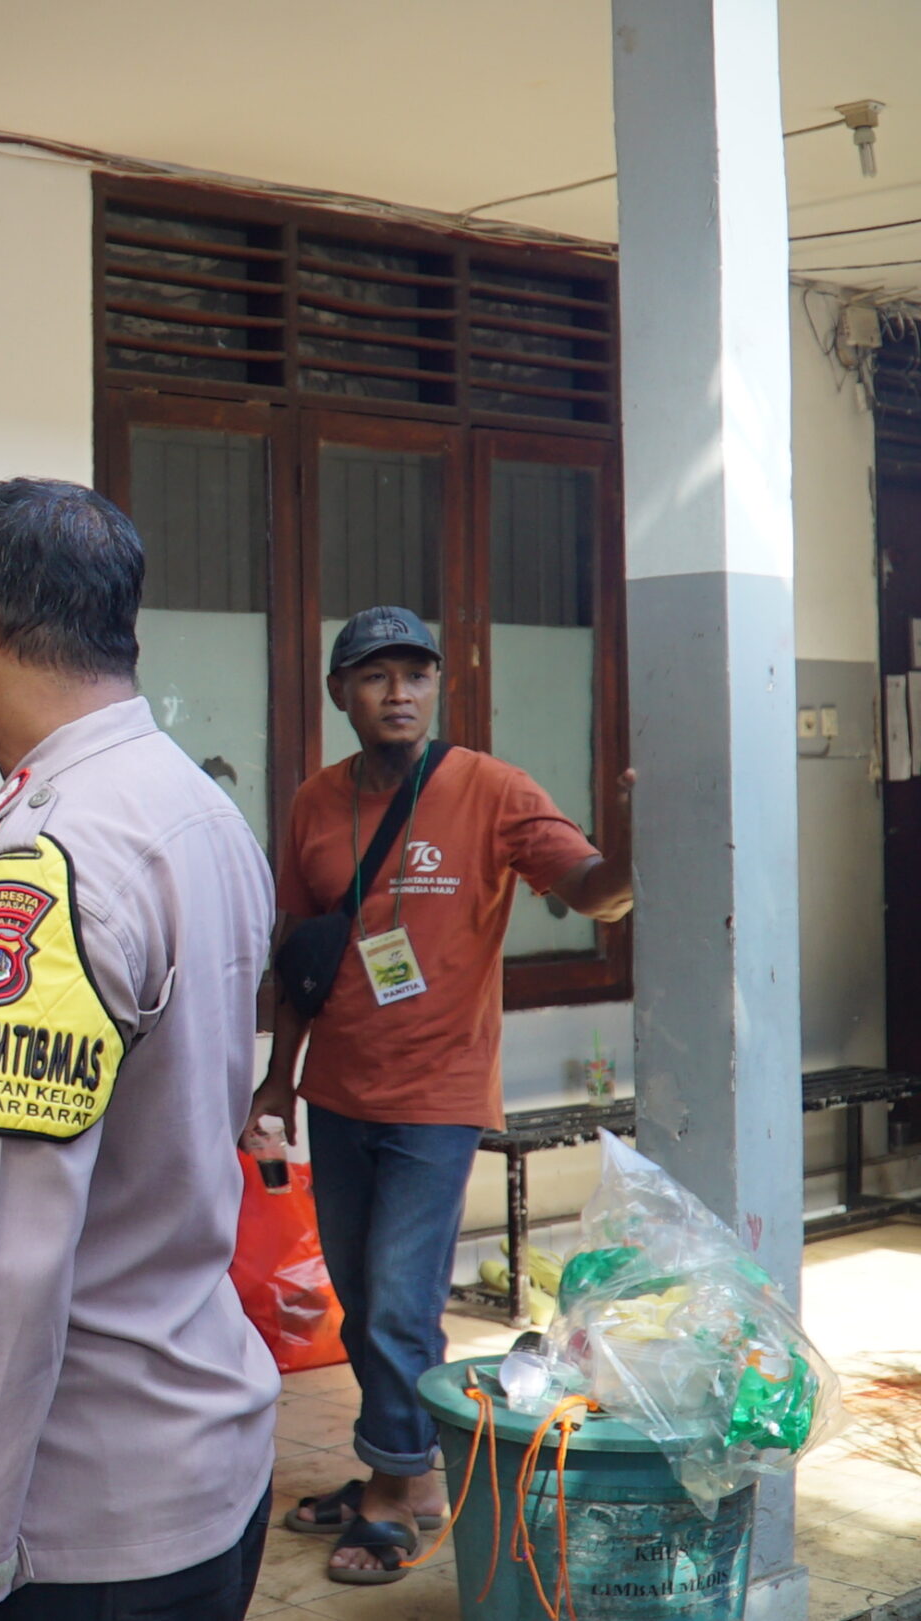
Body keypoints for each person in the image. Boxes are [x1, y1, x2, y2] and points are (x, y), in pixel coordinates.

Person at [0, 479, 278, 1621]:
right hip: (189, 1453)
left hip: (79, 1522)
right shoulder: (189, 806)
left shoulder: (52, 859)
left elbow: (1, 1252)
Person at [253, 606, 633, 1584]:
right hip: (339, 1090)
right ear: (340, 693)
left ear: (437, 687)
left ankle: (398, 1490)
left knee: (399, 1298)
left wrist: (636, 844)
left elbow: (594, 891)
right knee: (360, 1298)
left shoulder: (491, 789)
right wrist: (278, 1080)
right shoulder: (315, 801)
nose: (399, 693)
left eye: (416, 674)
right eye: (375, 676)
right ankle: (405, 1466)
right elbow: (298, 951)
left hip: (439, 1091)